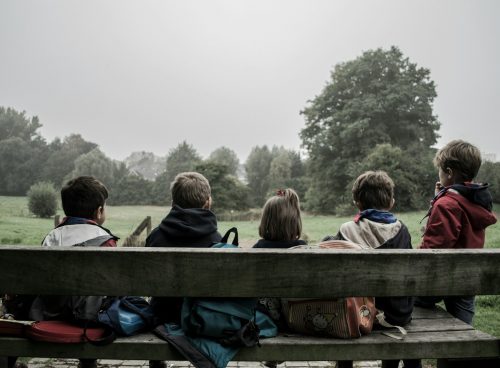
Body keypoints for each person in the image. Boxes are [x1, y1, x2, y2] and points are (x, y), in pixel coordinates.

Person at [324, 171, 419, 368]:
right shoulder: (402, 230)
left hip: (356, 315)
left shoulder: (346, 230)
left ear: (357, 202)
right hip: (396, 315)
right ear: (391, 202)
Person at [29, 176, 119, 368]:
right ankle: (88, 361)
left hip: (51, 312)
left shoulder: (52, 237)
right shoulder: (105, 240)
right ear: (99, 211)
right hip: (90, 318)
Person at [416, 140, 497, 324]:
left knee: (404, 300)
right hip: (467, 278)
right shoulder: (476, 199)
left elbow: (434, 248)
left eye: (440, 170)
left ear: (449, 172)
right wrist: (440, 196)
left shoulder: (447, 204)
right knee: (464, 326)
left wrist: (440, 201)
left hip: (439, 278)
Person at [146, 172, 222, 368]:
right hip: (201, 318)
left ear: (173, 202)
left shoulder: (156, 237)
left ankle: (157, 362)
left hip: (161, 317)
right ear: (207, 202)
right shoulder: (216, 240)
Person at [252, 188, 306, 368]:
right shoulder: (303, 250)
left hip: (265, 320)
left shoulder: (257, 250)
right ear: (295, 222)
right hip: (299, 319)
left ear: (266, 221)